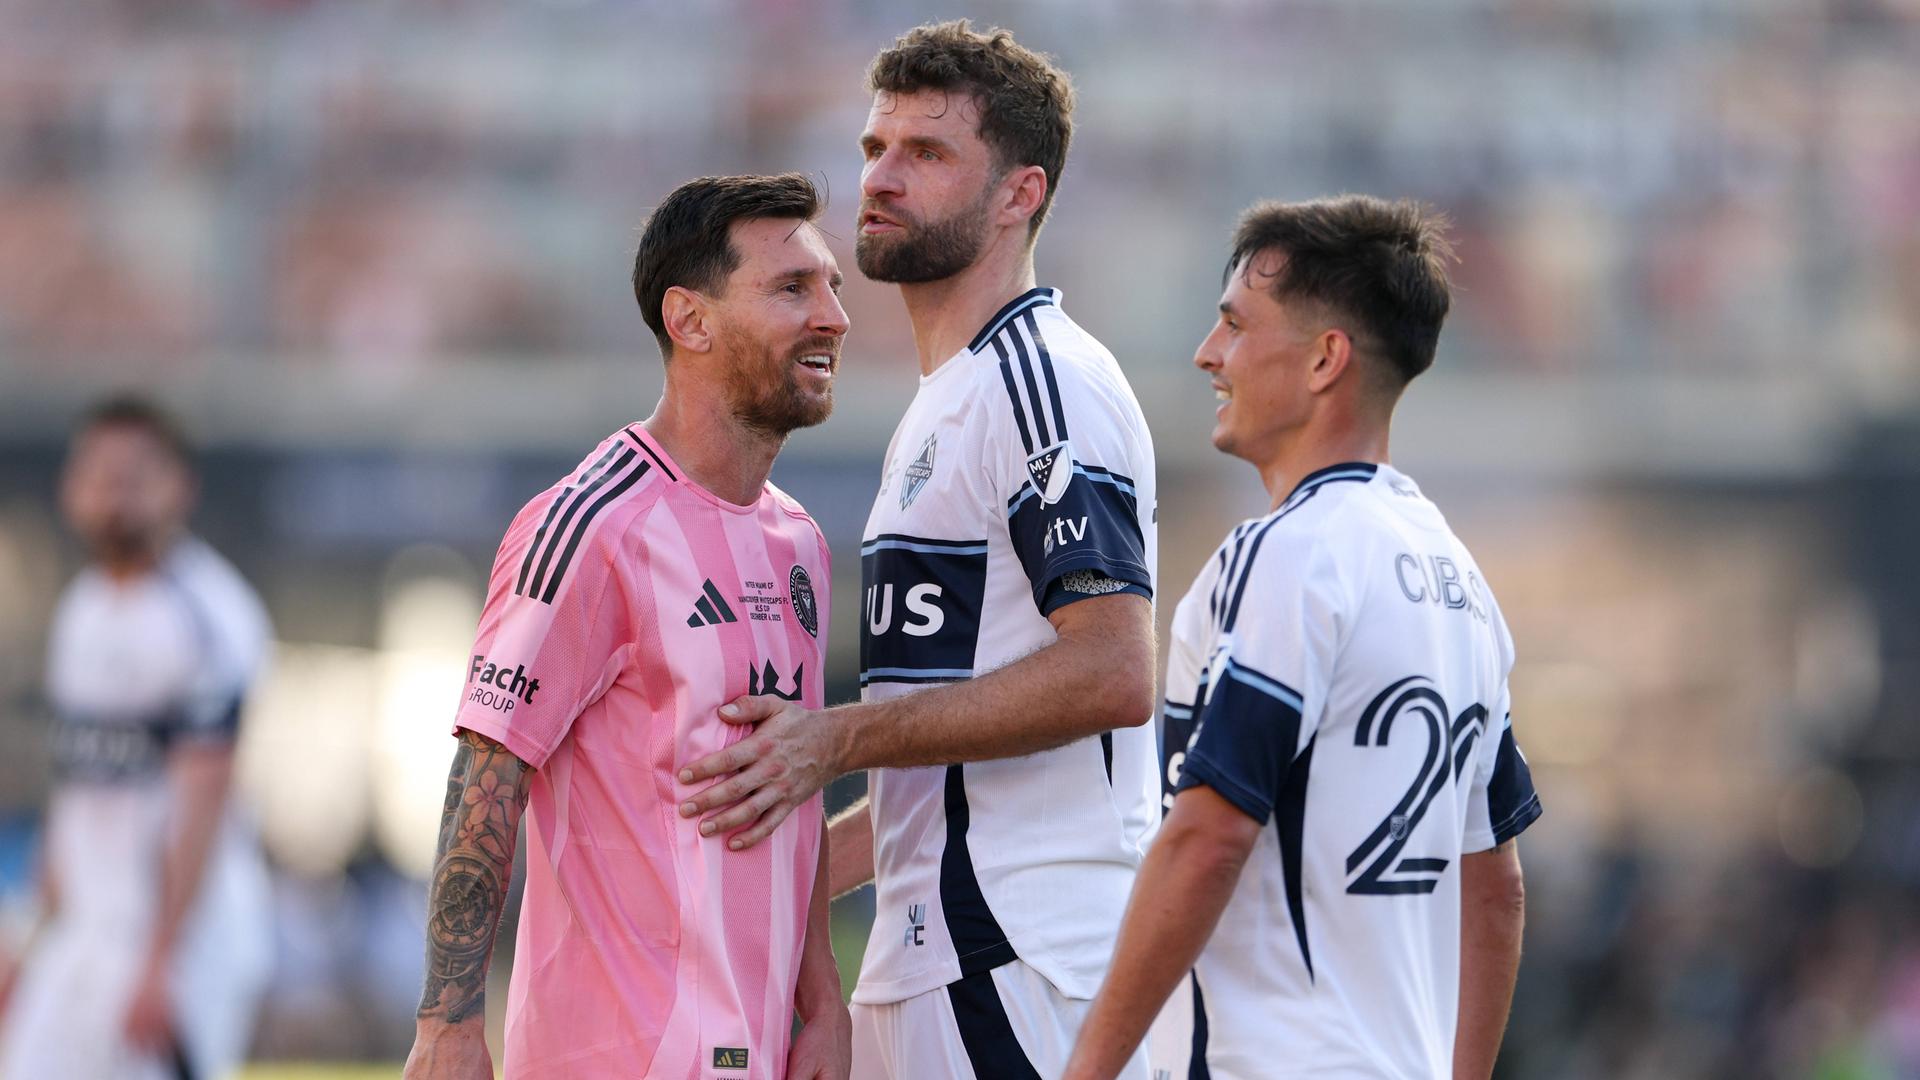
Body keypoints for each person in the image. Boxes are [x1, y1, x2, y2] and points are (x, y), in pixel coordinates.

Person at [679, 22, 1158, 1080]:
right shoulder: (950, 396)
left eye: (927, 154)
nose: (883, 179)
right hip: (940, 954)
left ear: (1020, 194)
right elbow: (935, 776)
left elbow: (1115, 668)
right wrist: (774, 852)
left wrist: (834, 737)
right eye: (874, 149)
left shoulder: (1043, 382)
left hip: (1021, 954)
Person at [1059, 196, 1544, 1080]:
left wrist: (1087, 1068)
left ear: (1326, 359)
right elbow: (1497, 887)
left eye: (1237, 325)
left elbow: (1209, 836)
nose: (1210, 353)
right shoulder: (1461, 579)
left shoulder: (1289, 555)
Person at [402, 173, 852, 1080]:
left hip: (757, 1055)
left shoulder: (798, 543)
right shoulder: (591, 525)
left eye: (832, 285)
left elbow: (787, 796)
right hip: (612, 1055)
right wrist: (447, 1028)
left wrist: (821, 1002)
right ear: (689, 321)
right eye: (793, 288)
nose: (835, 315)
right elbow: (489, 767)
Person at [0, 397, 275, 1080]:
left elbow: (204, 798)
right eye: (97, 475)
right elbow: (77, 792)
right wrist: (29, 935)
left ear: (179, 486)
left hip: (181, 937)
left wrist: (164, 959)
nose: (112, 494)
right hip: (85, 935)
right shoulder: (82, 610)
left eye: (134, 476)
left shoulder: (210, 614)